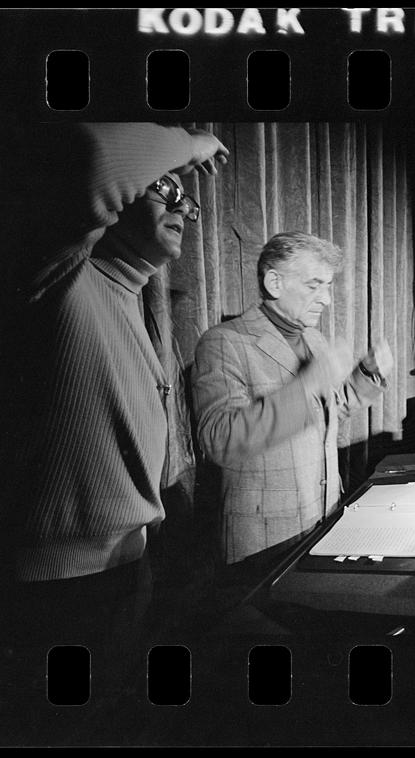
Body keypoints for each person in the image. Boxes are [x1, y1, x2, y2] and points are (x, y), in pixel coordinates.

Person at [0, 124, 228, 665]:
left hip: (125, 565)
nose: (182, 209)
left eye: (188, 203)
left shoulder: (133, 297)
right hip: (59, 583)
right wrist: (190, 144)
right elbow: (96, 156)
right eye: (164, 191)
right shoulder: (58, 271)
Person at [192, 231, 393, 573]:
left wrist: (366, 376)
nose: (327, 299)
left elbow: (326, 412)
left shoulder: (313, 339)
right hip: (263, 542)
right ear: (274, 282)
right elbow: (220, 440)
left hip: (323, 517)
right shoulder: (224, 342)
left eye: (328, 286)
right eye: (315, 285)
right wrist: (310, 382)